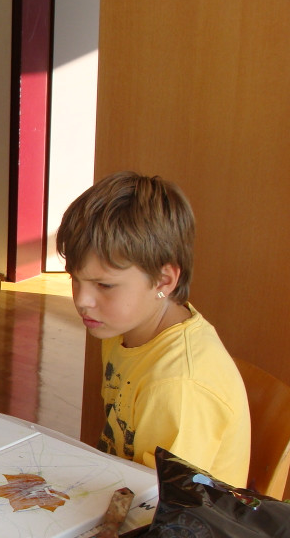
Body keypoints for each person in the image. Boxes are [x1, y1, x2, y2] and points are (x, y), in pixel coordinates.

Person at [55, 170, 250, 487]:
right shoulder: (124, 327)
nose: (82, 300)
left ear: (163, 281)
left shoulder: (178, 386)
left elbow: (167, 505)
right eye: (75, 279)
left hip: (172, 512)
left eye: (104, 285)